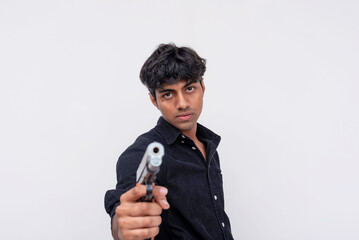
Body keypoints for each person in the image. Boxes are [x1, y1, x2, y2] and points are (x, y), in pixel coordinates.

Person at [104, 43, 234, 240]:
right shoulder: (143, 153)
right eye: (168, 94)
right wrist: (123, 229)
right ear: (154, 100)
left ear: (203, 87)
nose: (182, 103)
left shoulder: (208, 144)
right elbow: (125, 214)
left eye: (189, 88)